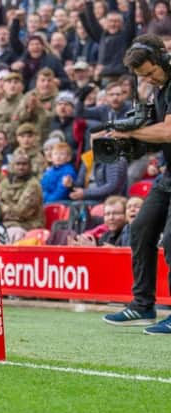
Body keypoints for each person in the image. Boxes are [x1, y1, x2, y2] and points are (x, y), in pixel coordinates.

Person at [102, 35, 171, 334]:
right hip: (168, 174)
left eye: (150, 72)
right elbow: (150, 134)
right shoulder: (160, 88)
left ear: (162, 58)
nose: (148, 79)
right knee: (141, 228)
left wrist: (134, 134)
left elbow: (168, 131)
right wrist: (125, 136)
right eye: (142, 75)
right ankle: (142, 305)